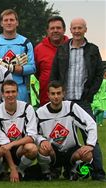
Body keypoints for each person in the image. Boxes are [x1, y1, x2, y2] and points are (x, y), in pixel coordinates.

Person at [50, 18, 105, 181]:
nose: (77, 31)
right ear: (70, 30)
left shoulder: (93, 50)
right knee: (61, 137)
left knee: (90, 136)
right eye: (74, 28)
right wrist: (57, 95)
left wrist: (89, 94)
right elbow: (54, 74)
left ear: (85, 30)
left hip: (83, 101)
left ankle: (98, 173)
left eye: (80, 28)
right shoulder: (62, 49)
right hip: (64, 102)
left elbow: (98, 75)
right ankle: (63, 170)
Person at [36, 81, 97, 180]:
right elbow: (34, 133)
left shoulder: (71, 107)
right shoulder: (40, 112)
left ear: (63, 93)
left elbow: (91, 123)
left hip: (71, 151)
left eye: (59, 93)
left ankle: (74, 172)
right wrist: (42, 140)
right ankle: (47, 173)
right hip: (53, 152)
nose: (56, 96)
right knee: (42, 149)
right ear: (48, 94)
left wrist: (90, 144)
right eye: (53, 93)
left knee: (88, 155)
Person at [0, 80, 38, 182]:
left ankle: (20, 171)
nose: (10, 95)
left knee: (32, 148)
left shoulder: (27, 108)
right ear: (2, 94)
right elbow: (2, 142)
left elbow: (32, 136)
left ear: (17, 92)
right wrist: (12, 167)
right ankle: (1, 171)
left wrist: (12, 144)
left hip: (20, 147)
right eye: (7, 92)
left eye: (13, 92)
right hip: (2, 148)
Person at [0, 9, 36, 103]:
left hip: (20, 89)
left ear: (17, 23)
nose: (9, 23)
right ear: (1, 23)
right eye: (6, 20)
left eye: (12, 20)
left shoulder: (25, 43)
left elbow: (32, 68)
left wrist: (11, 67)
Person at [34, 16, 69, 106]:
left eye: (58, 28)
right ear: (47, 31)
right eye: (52, 28)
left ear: (64, 30)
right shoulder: (39, 49)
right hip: (46, 99)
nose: (55, 30)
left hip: (69, 98)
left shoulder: (71, 47)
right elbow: (37, 72)